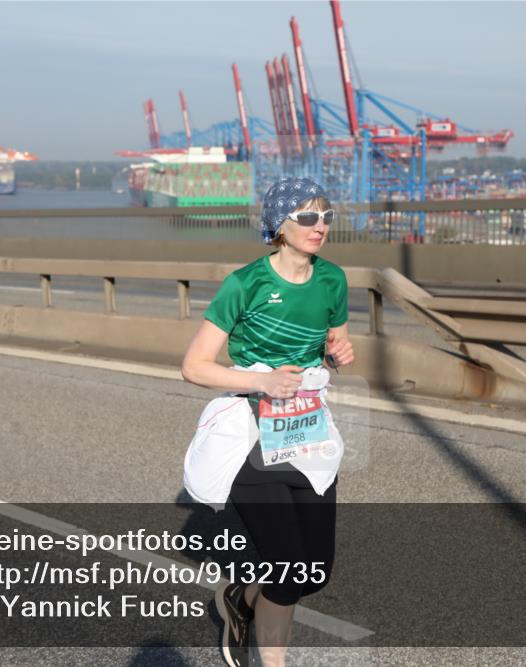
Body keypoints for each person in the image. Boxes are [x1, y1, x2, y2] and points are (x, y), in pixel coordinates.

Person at [181, 177, 355, 667]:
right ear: (279, 225)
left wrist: (339, 352)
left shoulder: (332, 280)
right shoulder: (245, 283)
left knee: (313, 572)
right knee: (287, 565)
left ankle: (240, 598)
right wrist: (262, 382)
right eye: (306, 217)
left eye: (325, 216)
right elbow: (195, 366)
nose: (319, 226)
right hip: (250, 438)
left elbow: (331, 348)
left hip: (307, 432)